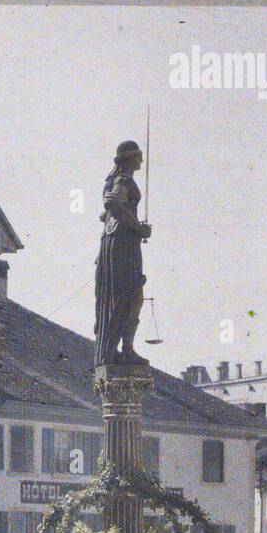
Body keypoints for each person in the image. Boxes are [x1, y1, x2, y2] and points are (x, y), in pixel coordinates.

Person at [94, 139, 152, 366]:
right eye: (138, 156)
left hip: (115, 243)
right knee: (131, 294)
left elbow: (108, 212)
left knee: (128, 294)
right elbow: (113, 204)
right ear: (129, 159)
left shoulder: (113, 180)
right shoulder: (124, 180)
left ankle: (122, 348)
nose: (141, 160)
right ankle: (124, 348)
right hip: (122, 246)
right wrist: (138, 228)